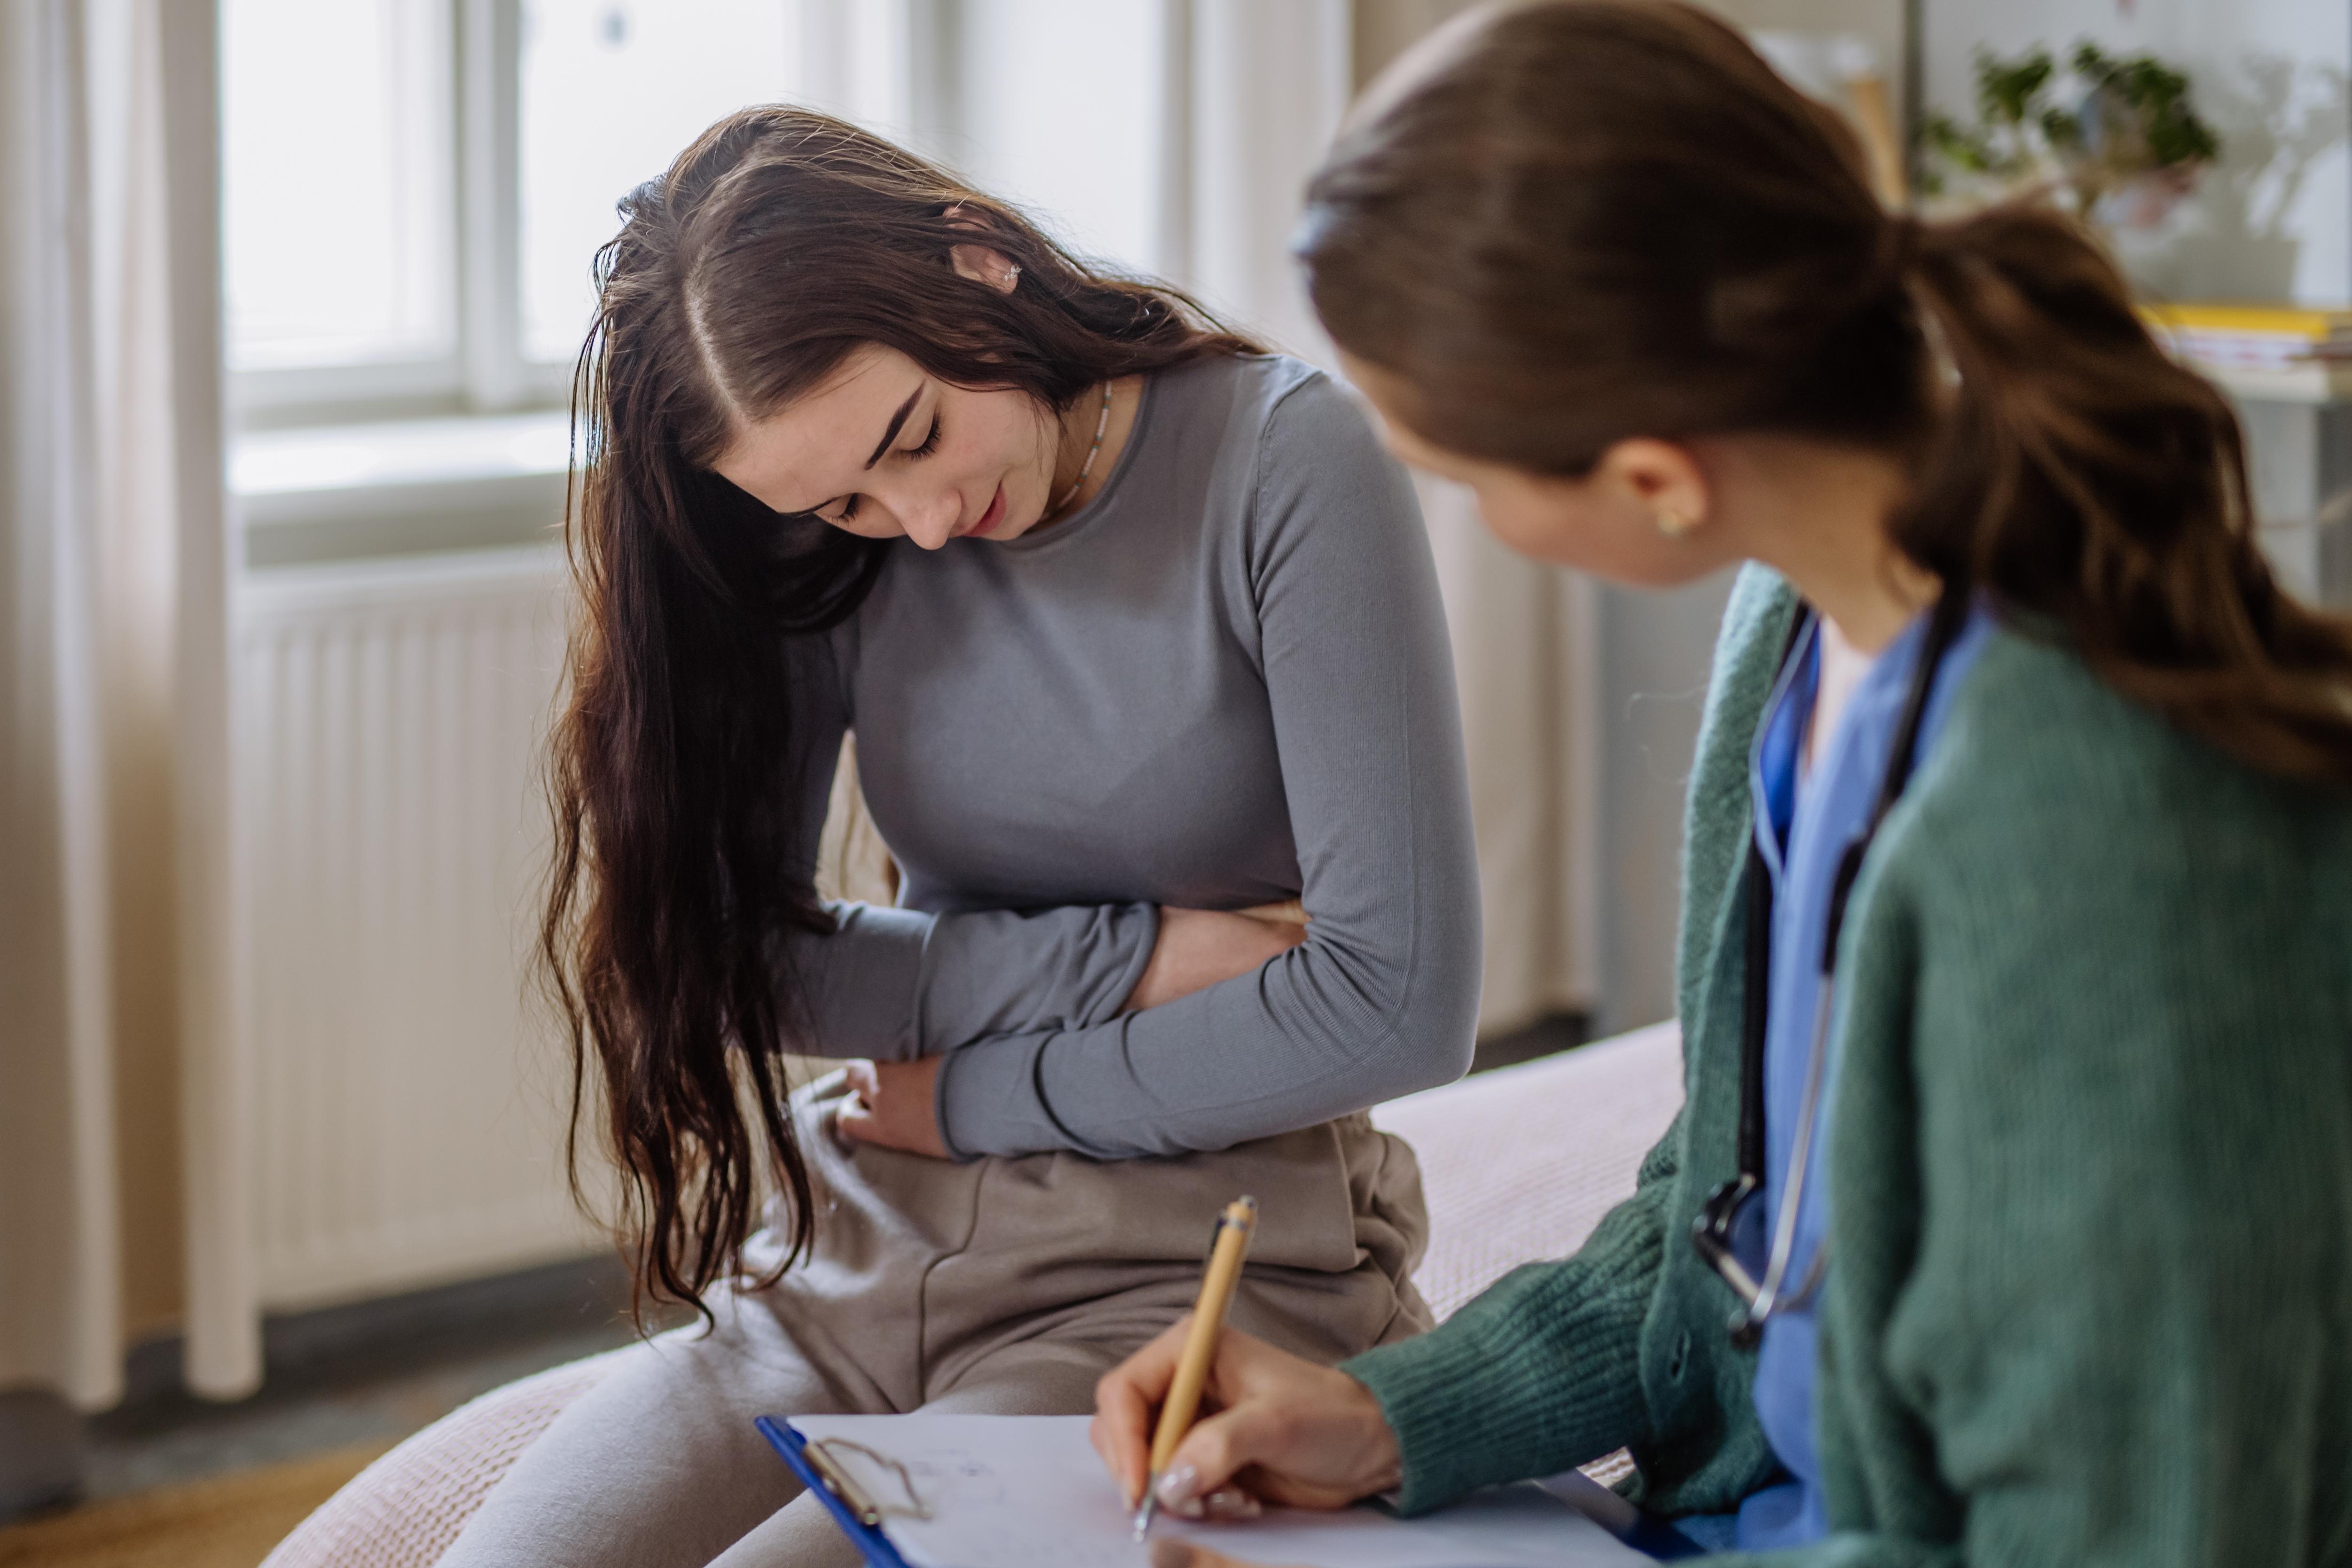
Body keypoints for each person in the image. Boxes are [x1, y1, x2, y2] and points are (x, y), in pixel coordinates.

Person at [1091, 4, 2352, 1564]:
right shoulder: (1796, 629)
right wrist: (1398, 1414)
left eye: (1470, 482)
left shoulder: (2086, 833)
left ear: (1651, 481)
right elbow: (1733, 1207)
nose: (1471, 521)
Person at [438, 108, 1481, 1568]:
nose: (918, 523)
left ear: (976, 262)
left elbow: (1398, 1005)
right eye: (845, 502)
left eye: (913, 438)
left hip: (1181, 1264)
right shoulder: (833, 532)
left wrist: (975, 1099)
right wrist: (1136, 958)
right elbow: (743, 956)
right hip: (856, 1230)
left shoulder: (1283, 459)